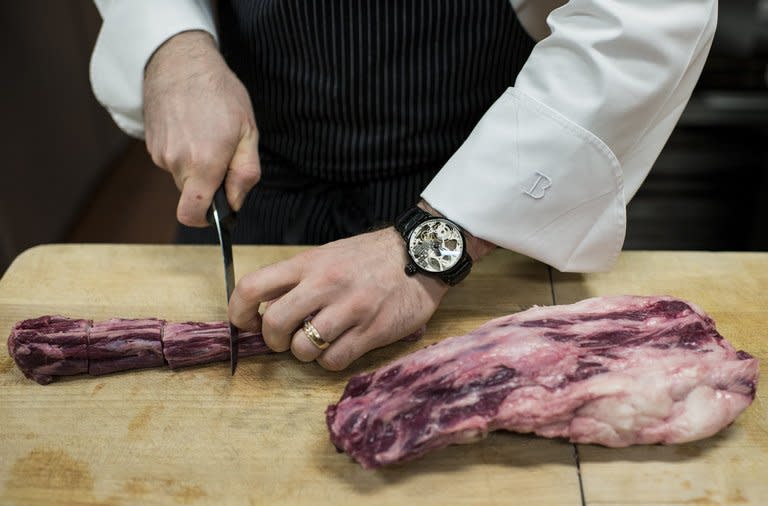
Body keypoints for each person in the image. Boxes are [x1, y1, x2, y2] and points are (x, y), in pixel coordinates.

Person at [90, 0, 717, 371]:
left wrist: (435, 241)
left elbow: (647, 16)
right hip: (253, 177)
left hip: (489, 184)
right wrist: (170, 40)